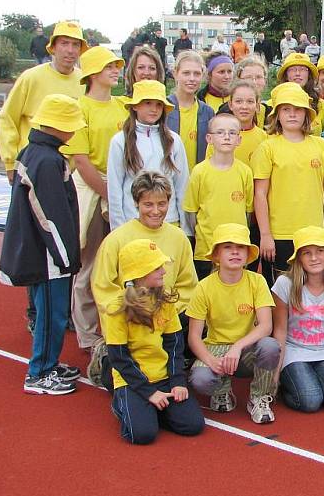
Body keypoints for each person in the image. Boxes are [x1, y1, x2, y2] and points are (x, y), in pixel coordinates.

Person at [0, 94, 84, 394]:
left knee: (51, 311)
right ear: (57, 127)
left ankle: (49, 361)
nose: (74, 131)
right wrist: (65, 257)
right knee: (52, 313)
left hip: (44, 252)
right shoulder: (46, 160)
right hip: (49, 256)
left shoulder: (35, 153)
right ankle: (40, 373)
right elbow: (49, 215)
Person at [89, 172, 198, 385]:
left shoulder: (179, 238)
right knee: (125, 385)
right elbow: (103, 288)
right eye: (148, 204)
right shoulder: (116, 240)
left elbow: (188, 285)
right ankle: (107, 356)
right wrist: (133, 311)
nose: (156, 211)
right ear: (137, 203)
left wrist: (167, 311)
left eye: (162, 203)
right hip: (130, 318)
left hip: (168, 317)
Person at [100, 239, 205, 444]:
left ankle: (152, 410)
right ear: (139, 273)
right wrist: (149, 393)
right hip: (132, 379)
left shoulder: (164, 302)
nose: (163, 271)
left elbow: (174, 345)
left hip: (163, 375)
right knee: (142, 435)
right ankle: (122, 402)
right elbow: (120, 358)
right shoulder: (116, 309)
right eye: (156, 267)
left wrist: (177, 382)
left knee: (193, 425)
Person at [60, 46, 127, 351]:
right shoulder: (80, 108)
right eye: (108, 66)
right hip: (92, 190)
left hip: (120, 189)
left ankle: (118, 329)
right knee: (90, 266)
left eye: (116, 65)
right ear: (92, 74)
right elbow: (82, 161)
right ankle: (88, 335)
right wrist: (110, 196)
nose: (115, 70)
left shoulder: (122, 107)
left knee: (119, 266)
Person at [187, 223, 280, 423]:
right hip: (215, 347)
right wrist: (212, 361)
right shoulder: (204, 287)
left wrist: (238, 346)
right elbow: (194, 337)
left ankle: (258, 397)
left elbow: (266, 326)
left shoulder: (257, 281)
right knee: (200, 380)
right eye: (228, 247)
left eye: (241, 247)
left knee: (270, 346)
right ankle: (222, 390)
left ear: (248, 254)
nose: (235, 252)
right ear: (217, 254)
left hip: (245, 348)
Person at [253, 83, 324, 286]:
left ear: (307, 114)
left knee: (311, 287)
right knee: (280, 290)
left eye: (298, 109)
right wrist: (265, 234)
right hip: (279, 233)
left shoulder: (321, 145)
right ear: (277, 115)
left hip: (314, 233)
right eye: (286, 109)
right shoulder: (268, 147)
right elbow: (260, 194)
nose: (292, 114)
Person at [272, 226, 324, 413]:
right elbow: (279, 330)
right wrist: (275, 374)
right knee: (310, 401)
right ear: (298, 258)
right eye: (306, 253)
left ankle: (309, 380)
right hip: (294, 350)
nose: (314, 258)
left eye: (320, 251)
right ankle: (290, 385)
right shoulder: (285, 284)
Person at [0, 21, 86, 184]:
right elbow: (7, 119)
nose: (70, 50)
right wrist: (10, 163)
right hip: (32, 167)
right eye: (64, 43)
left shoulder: (85, 82)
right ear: (53, 47)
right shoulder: (31, 77)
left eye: (75, 44)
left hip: (71, 172)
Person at [107, 80, 190, 232]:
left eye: (159, 105)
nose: (154, 109)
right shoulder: (120, 141)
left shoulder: (174, 140)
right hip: (133, 221)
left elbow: (182, 185)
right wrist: (118, 229)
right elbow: (114, 189)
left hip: (169, 221)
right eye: (147, 103)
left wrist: (186, 229)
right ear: (135, 106)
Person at [184, 114, 254, 280]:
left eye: (232, 133)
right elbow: (191, 211)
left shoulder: (245, 172)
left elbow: (248, 212)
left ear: (239, 139)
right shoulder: (200, 172)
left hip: (238, 247)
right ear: (209, 138)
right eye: (220, 132)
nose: (226, 137)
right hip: (207, 249)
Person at [166, 51, 216, 170]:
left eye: (197, 74)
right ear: (175, 74)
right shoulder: (163, 108)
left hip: (197, 181)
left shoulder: (208, 112)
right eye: (186, 73)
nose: (192, 79)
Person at [275, 52, 324, 137]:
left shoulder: (322, 106)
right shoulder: (273, 103)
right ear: (285, 75)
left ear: (309, 75)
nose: (297, 73)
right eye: (293, 69)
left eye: (302, 69)